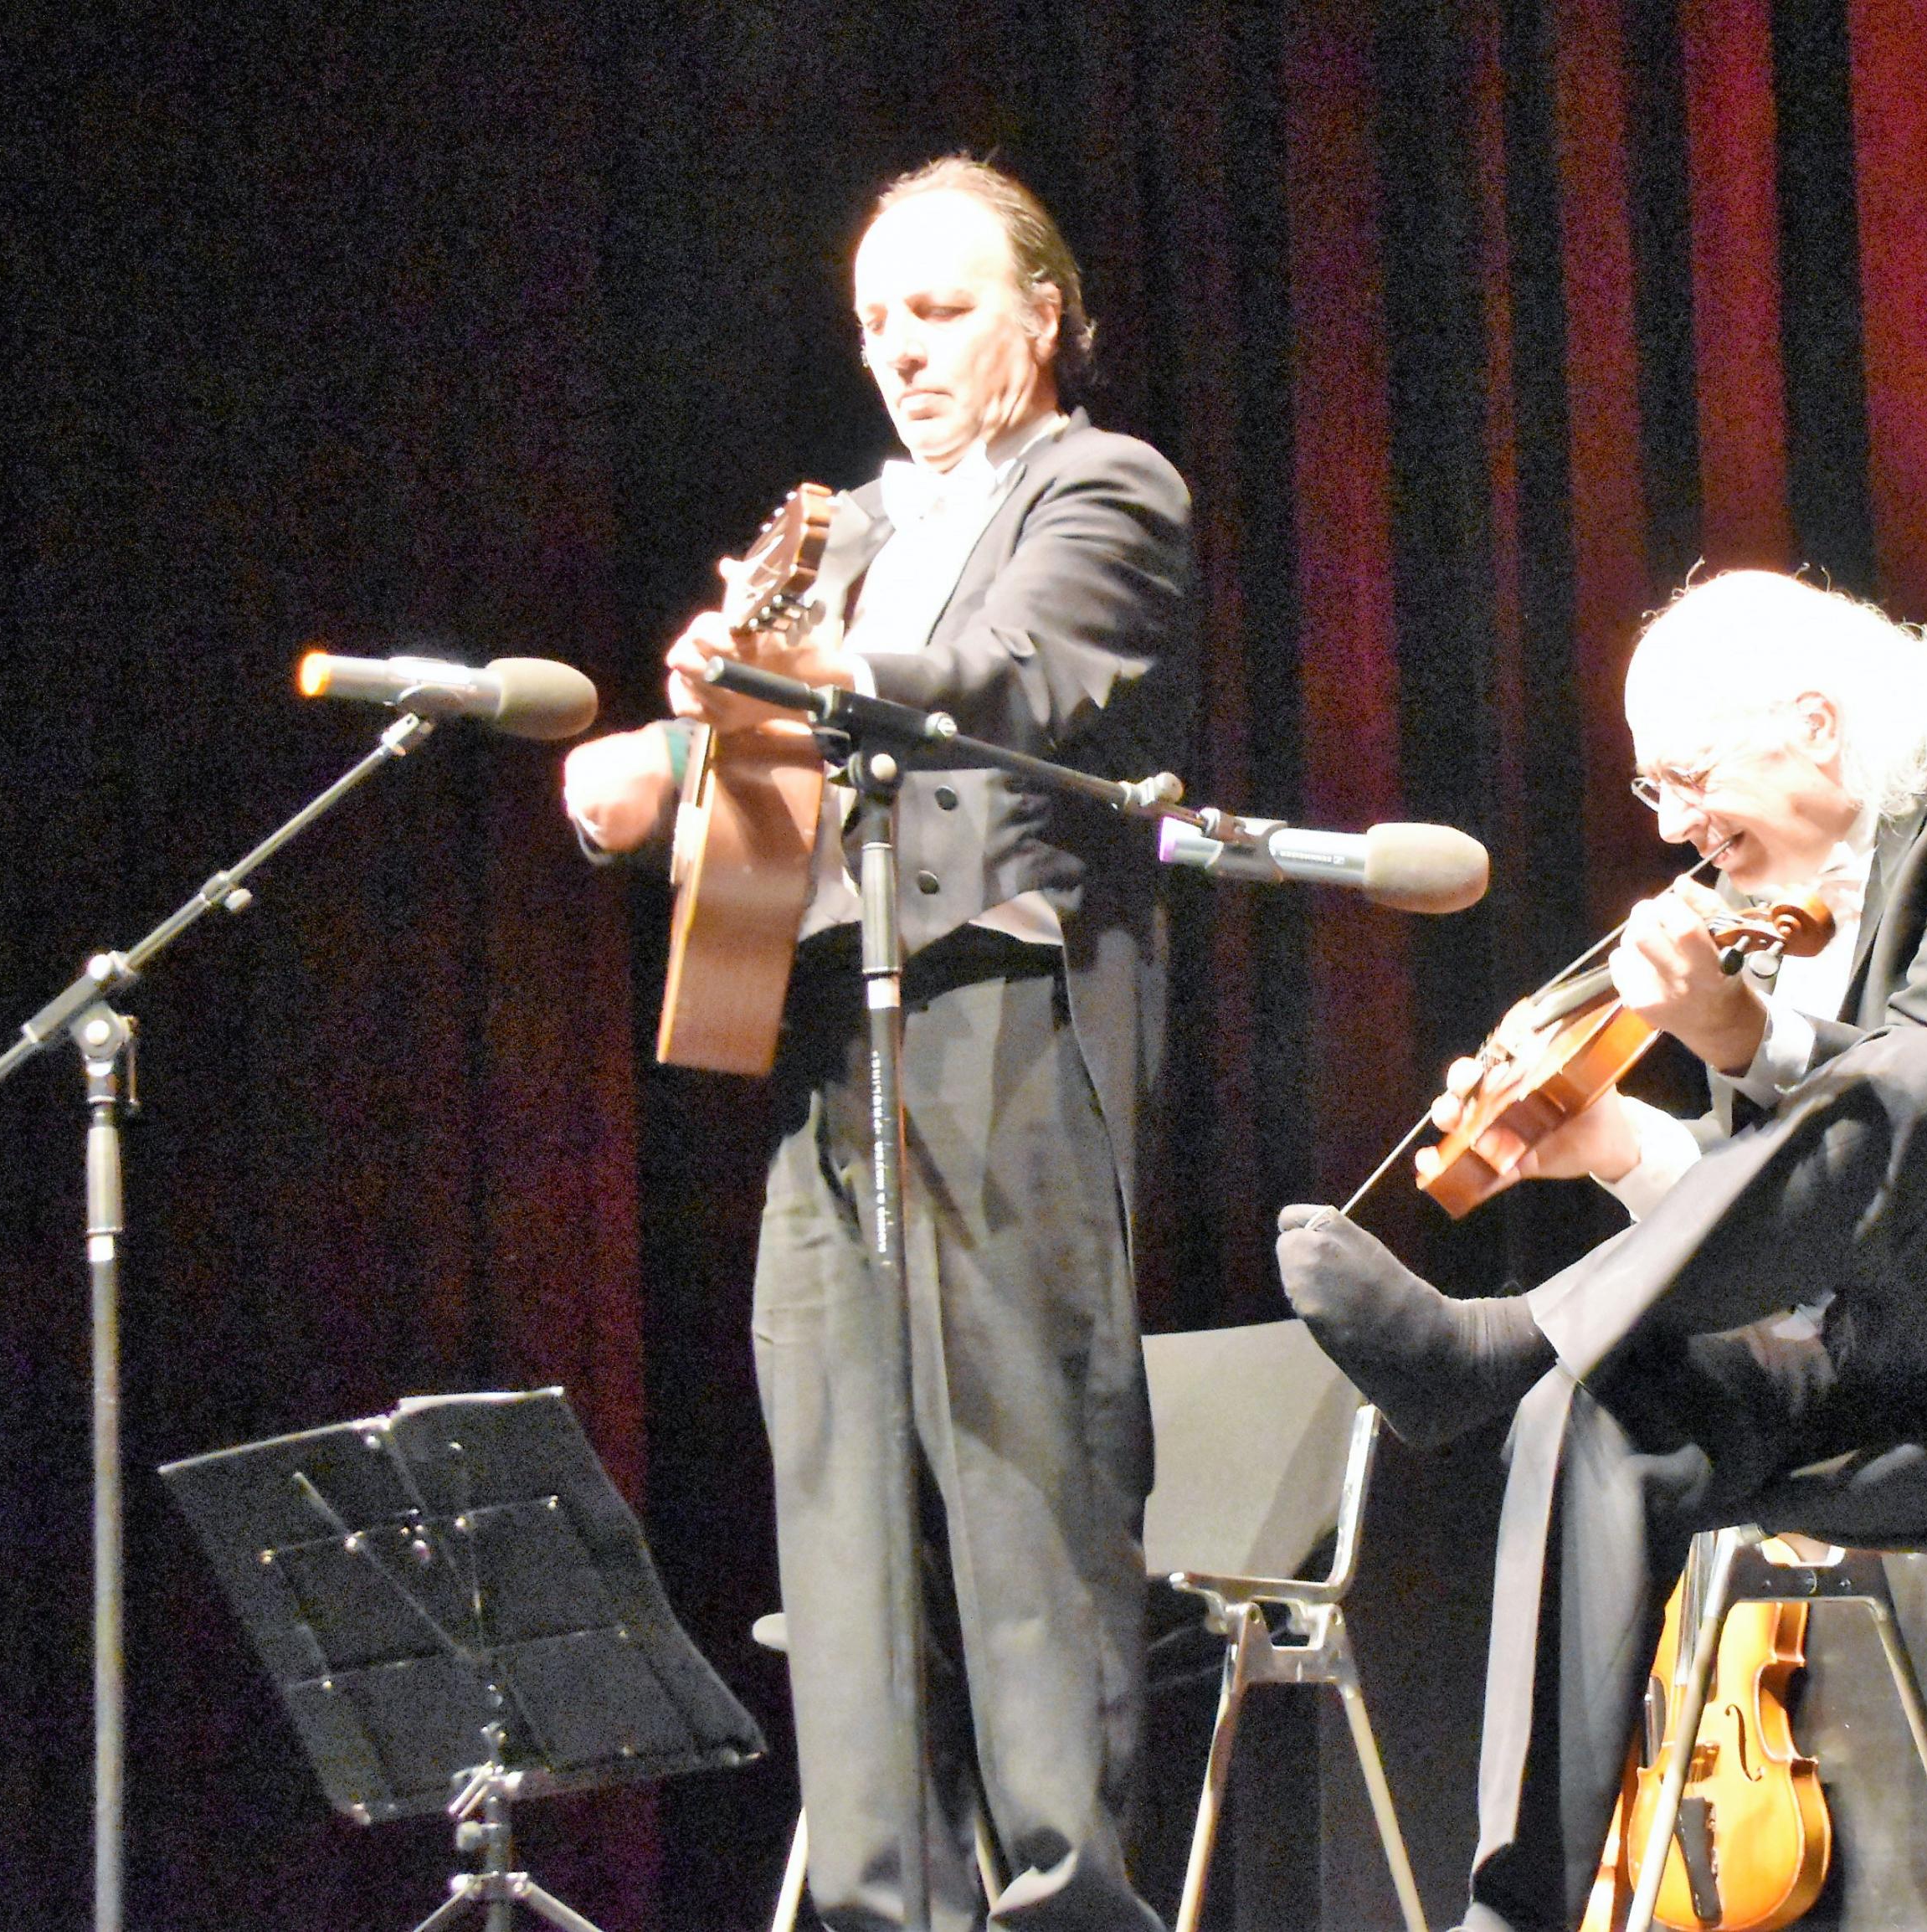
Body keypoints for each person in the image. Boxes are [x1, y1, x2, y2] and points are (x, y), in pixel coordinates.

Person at [1273, 569, 1927, 1932]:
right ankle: (1518, 1909)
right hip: (1882, 1353)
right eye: (1652, 790)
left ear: (1815, 725)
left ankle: (1513, 1335)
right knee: (1602, 1405)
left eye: (1689, 776)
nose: (1674, 826)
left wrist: (1740, 1032)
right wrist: (1616, 1140)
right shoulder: (1783, 898)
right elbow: (1805, 1210)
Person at [563, 157, 1187, 1932]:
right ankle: (877, 1909)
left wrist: (821, 670)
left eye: (938, 309)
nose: (899, 350)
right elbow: (779, 781)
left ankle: (1063, 1903)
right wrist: (657, 775)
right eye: (873, 322)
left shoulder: (1103, 486)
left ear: (1040, 318)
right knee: (839, 1512)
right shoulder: (838, 529)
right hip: (830, 1033)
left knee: (1019, 1486)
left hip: (1000, 1013)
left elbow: (1017, 676)